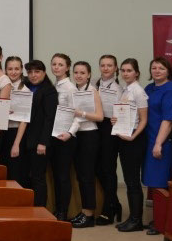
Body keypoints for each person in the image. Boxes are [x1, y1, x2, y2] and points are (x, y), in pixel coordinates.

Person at [143, 57, 172, 235]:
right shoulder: (149, 88)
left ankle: (162, 222)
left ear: (168, 71)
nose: (157, 71)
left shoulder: (171, 90)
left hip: (161, 141)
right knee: (152, 181)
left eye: (161, 68)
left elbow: (168, 120)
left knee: (160, 183)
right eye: (154, 68)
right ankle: (157, 218)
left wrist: (158, 143)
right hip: (148, 139)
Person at [111, 58, 149, 232]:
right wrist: (115, 120)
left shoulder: (138, 91)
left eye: (129, 70)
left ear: (137, 73)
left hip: (134, 140)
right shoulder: (126, 90)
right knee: (129, 180)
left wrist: (133, 136)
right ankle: (132, 217)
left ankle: (136, 220)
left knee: (133, 181)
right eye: (123, 70)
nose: (125, 73)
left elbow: (144, 119)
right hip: (124, 137)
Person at [69, 61, 105, 228]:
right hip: (77, 135)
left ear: (89, 74)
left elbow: (100, 117)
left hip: (89, 135)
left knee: (87, 176)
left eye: (82, 73)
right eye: (76, 72)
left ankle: (89, 215)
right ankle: (84, 211)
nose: (79, 75)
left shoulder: (92, 91)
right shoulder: (74, 91)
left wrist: (81, 113)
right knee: (81, 176)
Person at [23, 60, 58, 207]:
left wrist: (43, 142)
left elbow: (50, 119)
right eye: (30, 72)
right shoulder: (26, 86)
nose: (33, 75)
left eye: (37, 72)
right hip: (26, 139)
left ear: (44, 73)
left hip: (39, 142)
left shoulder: (49, 91)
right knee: (27, 176)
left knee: (38, 177)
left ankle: (40, 210)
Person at [48, 53, 78, 221]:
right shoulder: (54, 85)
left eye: (60, 64)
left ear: (67, 67)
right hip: (54, 135)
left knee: (63, 176)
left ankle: (63, 212)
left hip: (65, 137)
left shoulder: (70, 88)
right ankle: (58, 209)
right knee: (56, 175)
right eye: (54, 64)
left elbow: (77, 115)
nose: (57, 67)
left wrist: (70, 133)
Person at [94, 55, 123, 225]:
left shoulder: (119, 89)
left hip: (110, 129)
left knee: (108, 169)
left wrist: (118, 117)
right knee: (97, 168)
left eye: (109, 65)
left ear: (115, 68)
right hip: (95, 126)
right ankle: (115, 203)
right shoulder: (94, 84)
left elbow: (124, 112)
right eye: (103, 65)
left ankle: (108, 211)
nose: (105, 68)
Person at [0, 56, 30, 187]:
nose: (13, 72)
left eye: (16, 69)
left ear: (22, 70)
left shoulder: (24, 90)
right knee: (2, 171)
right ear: (5, 70)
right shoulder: (2, 86)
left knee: (15, 172)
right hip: (1, 132)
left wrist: (16, 144)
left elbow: (24, 120)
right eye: (10, 69)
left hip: (16, 134)